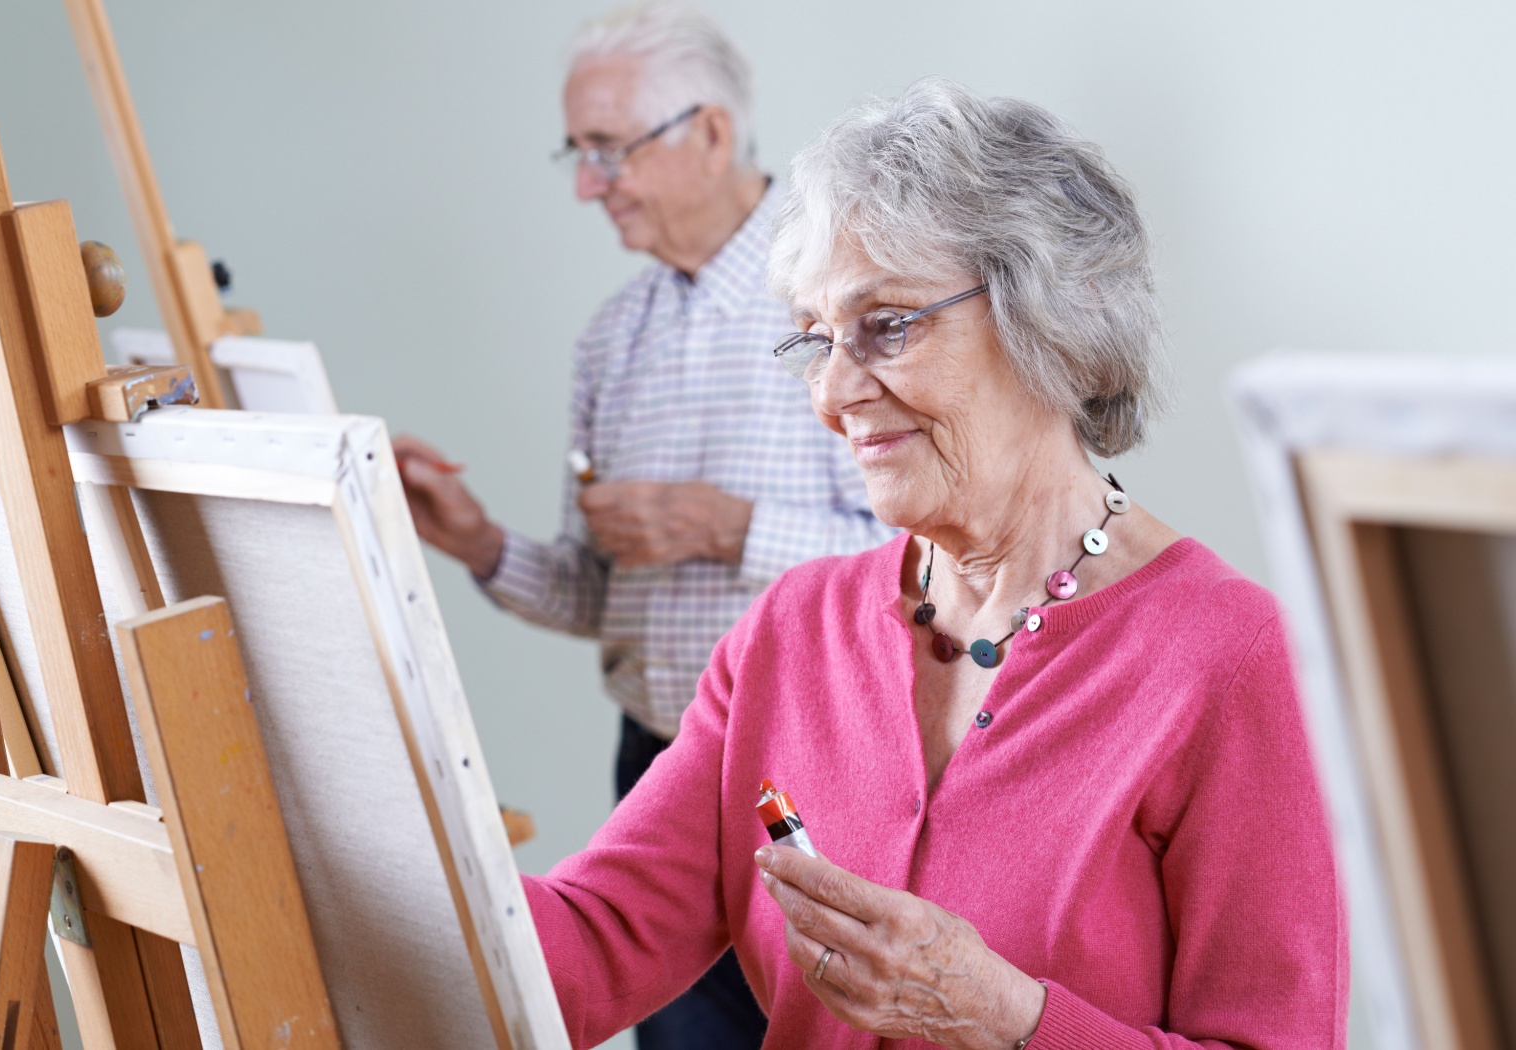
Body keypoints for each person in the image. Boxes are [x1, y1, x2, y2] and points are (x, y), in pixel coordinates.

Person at [519, 78, 1348, 1049]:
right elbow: (591, 941)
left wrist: (1009, 1021)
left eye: (887, 326)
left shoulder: (1227, 658)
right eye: (817, 340)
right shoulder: (791, 632)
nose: (832, 394)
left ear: (1054, 322)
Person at [394, 4, 891, 1047]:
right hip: (658, 767)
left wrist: (729, 529)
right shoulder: (611, 340)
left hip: (831, 765)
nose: (588, 183)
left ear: (710, 134)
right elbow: (599, 593)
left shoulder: (848, 305)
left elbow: (927, 562)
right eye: (577, 154)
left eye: (609, 149)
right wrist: (478, 541)